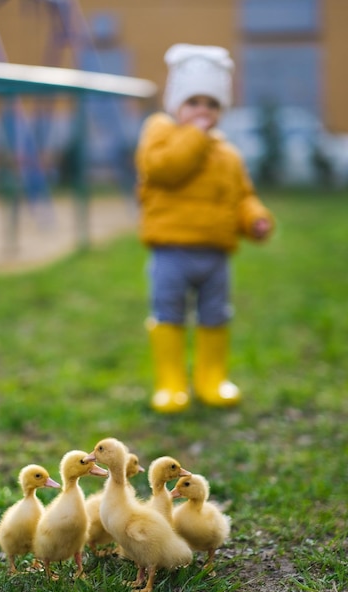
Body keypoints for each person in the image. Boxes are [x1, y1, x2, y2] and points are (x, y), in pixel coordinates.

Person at [135, 43, 274, 413]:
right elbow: (165, 168)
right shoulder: (159, 132)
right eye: (193, 101)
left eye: (211, 104)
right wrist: (196, 135)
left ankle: (211, 378)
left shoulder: (227, 153)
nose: (203, 110)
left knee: (216, 314)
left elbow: (242, 195)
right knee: (169, 311)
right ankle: (171, 383)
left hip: (215, 253)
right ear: (175, 104)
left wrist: (255, 218)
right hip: (171, 250)